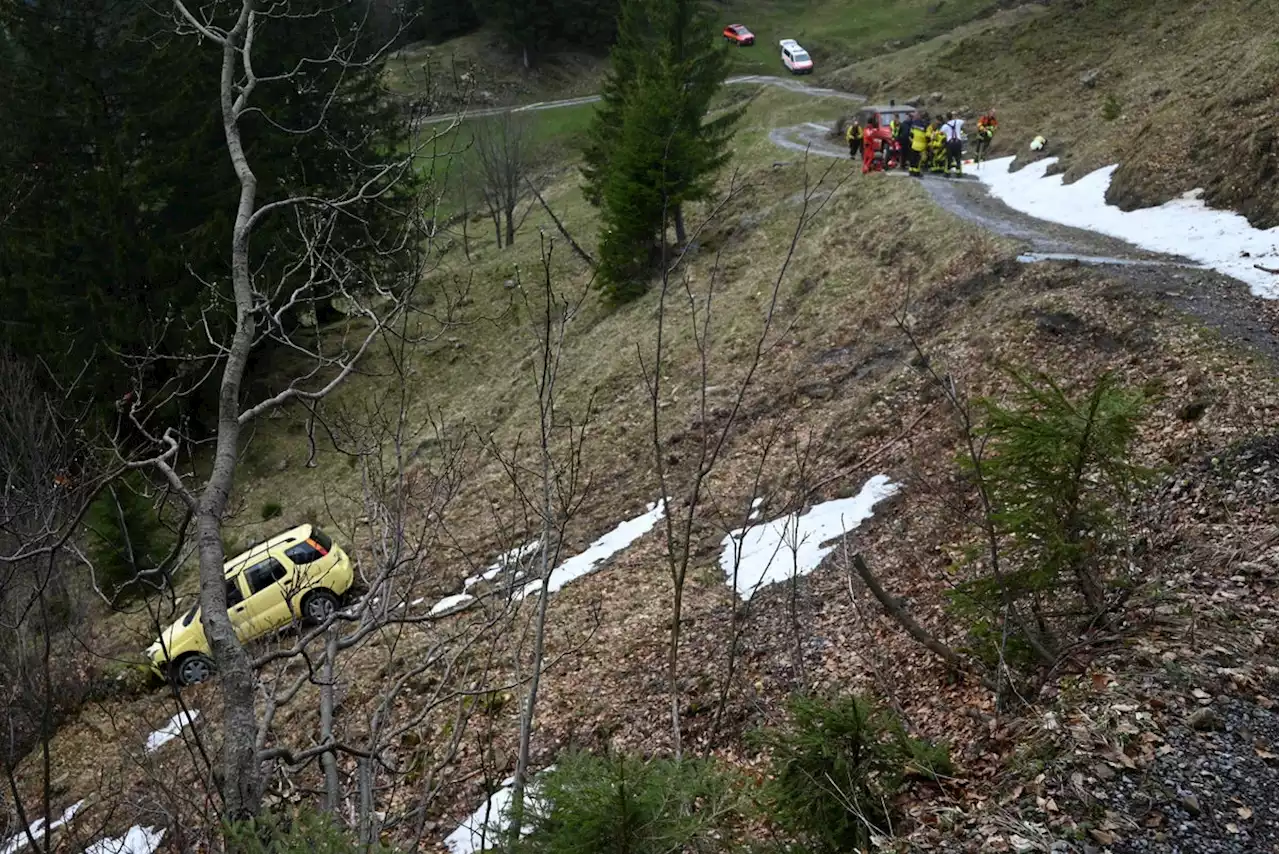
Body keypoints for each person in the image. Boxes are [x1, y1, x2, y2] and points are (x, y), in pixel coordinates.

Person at [941, 111, 965, 176]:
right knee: (958, 158)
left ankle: (947, 172)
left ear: (947, 118)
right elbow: (963, 121)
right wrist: (956, 117)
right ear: (952, 116)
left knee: (949, 158)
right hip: (958, 142)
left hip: (950, 143)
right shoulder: (958, 122)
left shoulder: (945, 126)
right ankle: (958, 172)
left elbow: (941, 132)